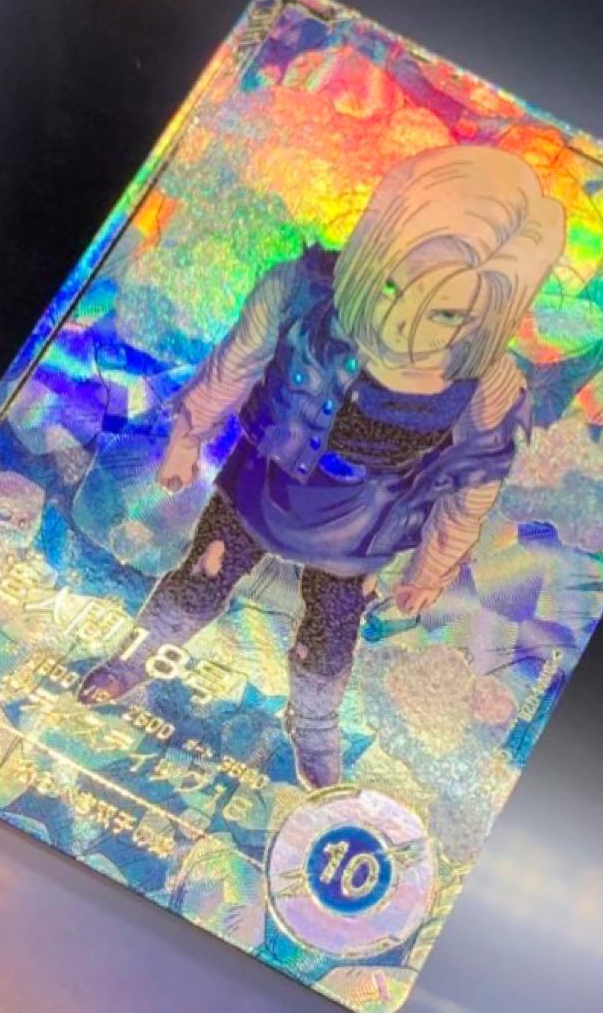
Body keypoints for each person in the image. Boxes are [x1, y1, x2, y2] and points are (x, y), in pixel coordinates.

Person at [81, 144, 565, 790]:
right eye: (392, 284)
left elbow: (474, 480)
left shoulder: (489, 380)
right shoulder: (298, 290)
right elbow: (236, 363)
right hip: (263, 484)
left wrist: (433, 567)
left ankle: (313, 727)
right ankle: (134, 658)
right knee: (202, 573)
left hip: (365, 522)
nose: (401, 323)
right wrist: (187, 436)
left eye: (447, 312)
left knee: (332, 634)